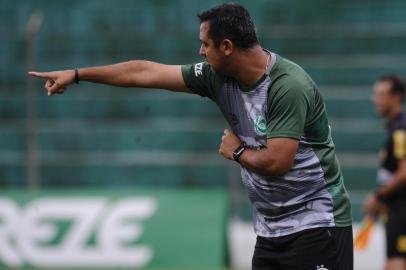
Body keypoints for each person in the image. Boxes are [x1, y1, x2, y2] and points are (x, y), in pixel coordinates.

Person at [29, 3, 353, 270]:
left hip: (317, 224)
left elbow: (279, 162)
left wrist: (237, 152)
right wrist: (77, 74)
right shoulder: (215, 76)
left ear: (227, 47)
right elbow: (146, 72)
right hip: (271, 231)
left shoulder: (287, 86)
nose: (200, 51)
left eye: (205, 44)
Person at [363, 75, 406, 270]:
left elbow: (405, 172)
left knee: (396, 262)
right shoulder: (394, 126)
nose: (375, 99)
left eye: (381, 94)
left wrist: (379, 195)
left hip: (402, 210)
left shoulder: (401, 128)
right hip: (395, 208)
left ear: (397, 97)